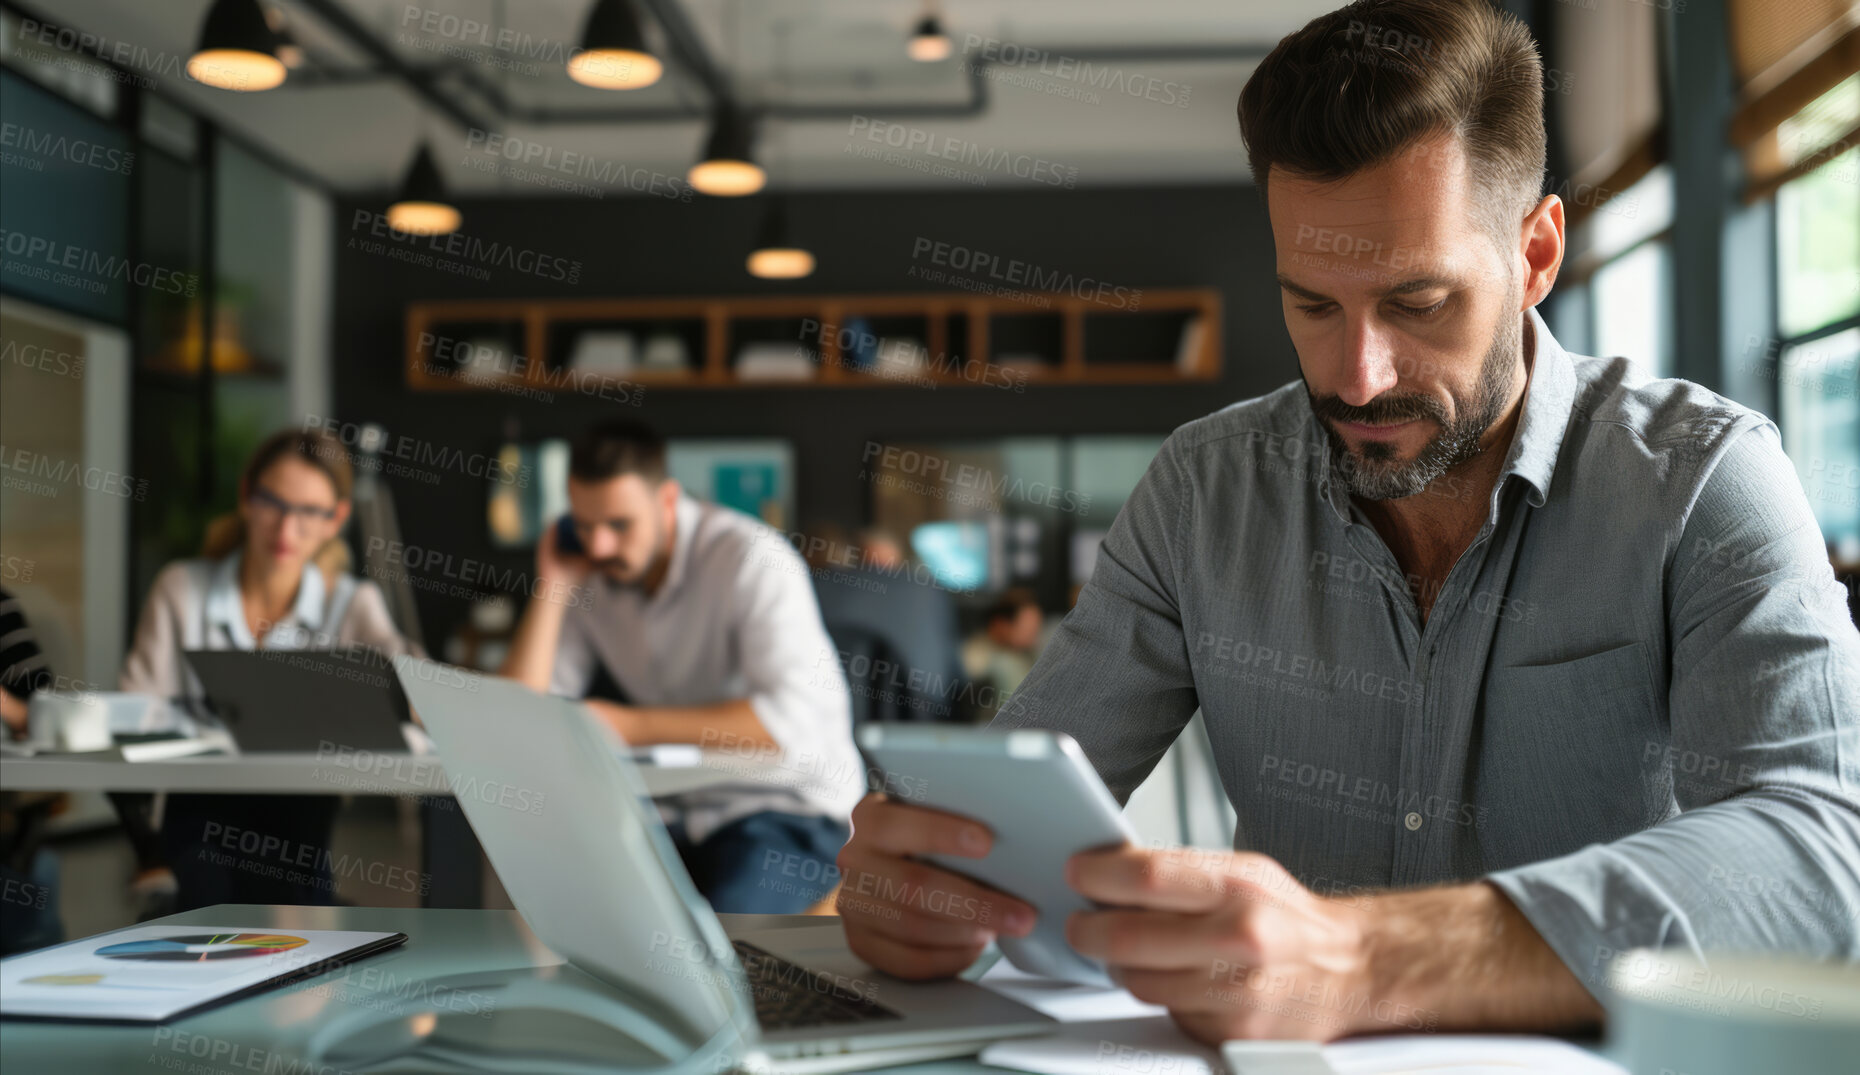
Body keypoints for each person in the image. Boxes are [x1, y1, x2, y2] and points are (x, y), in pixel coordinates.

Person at [834, 0, 1860, 1045]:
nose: (1357, 378)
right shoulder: (1202, 492)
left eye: (1418, 303)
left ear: (1537, 253)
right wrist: (925, 882)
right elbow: (1015, 813)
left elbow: (1826, 851)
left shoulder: (1702, 478)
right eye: (1313, 306)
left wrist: (1369, 959)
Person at [500, 420, 864, 913]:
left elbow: (788, 723)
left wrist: (627, 727)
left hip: (786, 809)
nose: (599, 545)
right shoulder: (592, 570)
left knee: (730, 951)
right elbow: (515, 711)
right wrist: (553, 587)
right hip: (676, 810)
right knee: (579, 916)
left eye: (618, 525)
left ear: (667, 501)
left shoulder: (751, 559)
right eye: (583, 526)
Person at [119, 428, 419, 909]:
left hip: (299, 826)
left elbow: (422, 697)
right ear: (246, 498)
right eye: (273, 504)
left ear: (336, 518)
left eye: (309, 513)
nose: (285, 531)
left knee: (288, 901)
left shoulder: (351, 604)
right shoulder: (181, 589)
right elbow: (132, 715)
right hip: (197, 820)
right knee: (239, 911)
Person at [959, 588, 1043, 722]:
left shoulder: (1025, 655)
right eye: (1027, 631)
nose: (1033, 639)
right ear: (1001, 624)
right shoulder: (977, 655)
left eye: (1035, 630)